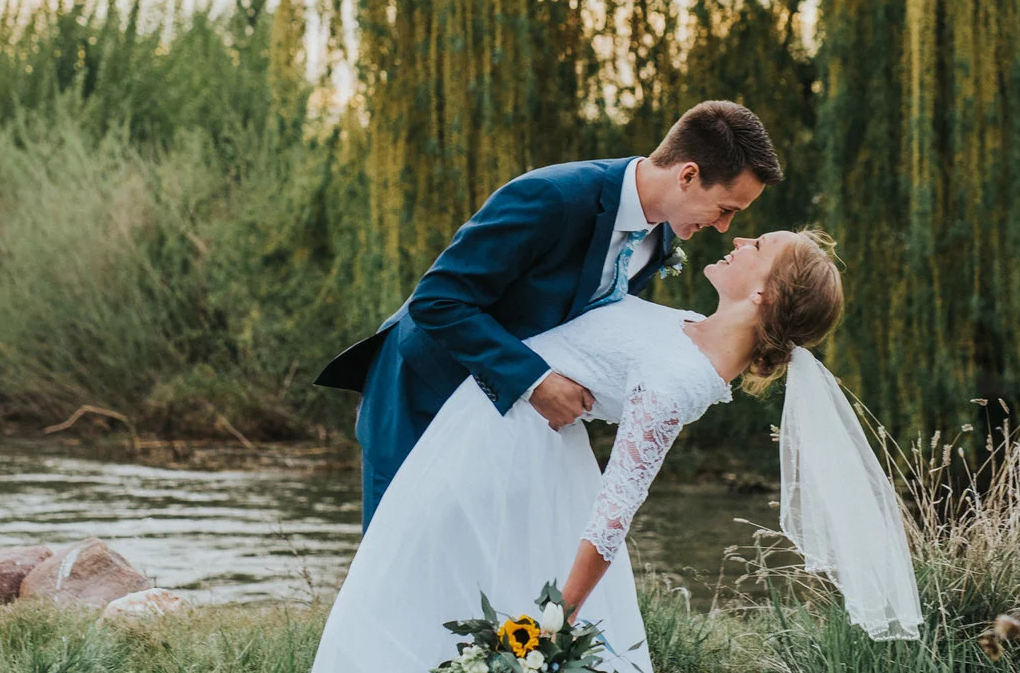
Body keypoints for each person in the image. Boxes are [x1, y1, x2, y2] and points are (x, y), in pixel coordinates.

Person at [266, 231, 923, 673]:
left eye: (759, 247)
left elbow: (614, 511)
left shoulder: (677, 381)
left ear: (764, 295)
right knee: (405, 609)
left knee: (385, 608)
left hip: (499, 460)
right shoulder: (692, 331)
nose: (741, 240)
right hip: (498, 438)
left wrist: (556, 618)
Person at [314, 101, 783, 526]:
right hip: (423, 389)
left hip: (500, 414)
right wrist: (536, 381)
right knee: (402, 547)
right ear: (687, 175)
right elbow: (438, 300)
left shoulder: (661, 236)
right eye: (725, 209)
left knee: (475, 554)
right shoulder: (551, 198)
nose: (725, 227)